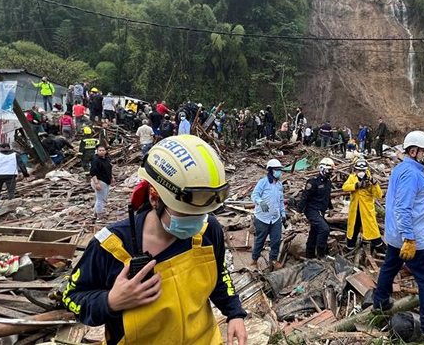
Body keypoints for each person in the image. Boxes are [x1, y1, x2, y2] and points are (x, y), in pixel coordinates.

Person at [63, 135, 247, 344]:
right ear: (154, 198)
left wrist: (234, 313)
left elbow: (219, 272)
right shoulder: (110, 246)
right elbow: (72, 298)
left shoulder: (208, 229)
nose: (198, 221)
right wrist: (110, 301)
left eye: (203, 213)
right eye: (186, 212)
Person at [372, 131, 424, 340]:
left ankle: (380, 302)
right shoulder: (411, 174)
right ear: (413, 151)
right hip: (412, 240)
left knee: (390, 267)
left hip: (395, 235)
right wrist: (409, 237)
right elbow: (402, 208)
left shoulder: (403, 169)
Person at [342, 158, 385, 253]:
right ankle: (350, 248)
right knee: (353, 229)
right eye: (359, 170)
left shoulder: (370, 180)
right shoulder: (352, 178)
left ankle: (380, 248)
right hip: (355, 210)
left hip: (366, 210)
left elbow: (379, 195)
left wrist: (374, 184)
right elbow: (345, 187)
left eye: (363, 170)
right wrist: (356, 185)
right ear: (355, 170)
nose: (361, 172)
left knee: (372, 229)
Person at [251, 159, 286, 270]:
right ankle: (254, 260)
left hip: (275, 218)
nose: (279, 172)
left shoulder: (280, 184)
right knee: (260, 239)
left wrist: (283, 213)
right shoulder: (263, 182)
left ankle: (273, 260)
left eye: (280, 170)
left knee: (276, 239)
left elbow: (281, 200)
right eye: (277, 170)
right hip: (262, 218)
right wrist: (260, 202)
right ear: (271, 171)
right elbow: (254, 195)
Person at [297, 158, 334, 259]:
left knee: (314, 232)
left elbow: (327, 196)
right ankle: (321, 255)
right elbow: (305, 196)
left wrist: (331, 208)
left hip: (320, 211)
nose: (330, 173)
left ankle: (309, 255)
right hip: (311, 210)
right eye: (329, 170)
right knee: (324, 229)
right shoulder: (313, 182)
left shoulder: (328, 182)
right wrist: (298, 211)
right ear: (322, 169)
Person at [90, 145, 113, 222]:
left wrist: (112, 177)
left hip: (105, 180)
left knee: (100, 198)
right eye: (100, 150)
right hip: (100, 181)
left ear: (105, 151)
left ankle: (95, 213)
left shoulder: (106, 160)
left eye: (103, 150)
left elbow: (108, 169)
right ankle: (99, 217)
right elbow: (93, 173)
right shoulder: (96, 161)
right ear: (97, 151)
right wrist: (96, 183)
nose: (102, 152)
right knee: (101, 199)